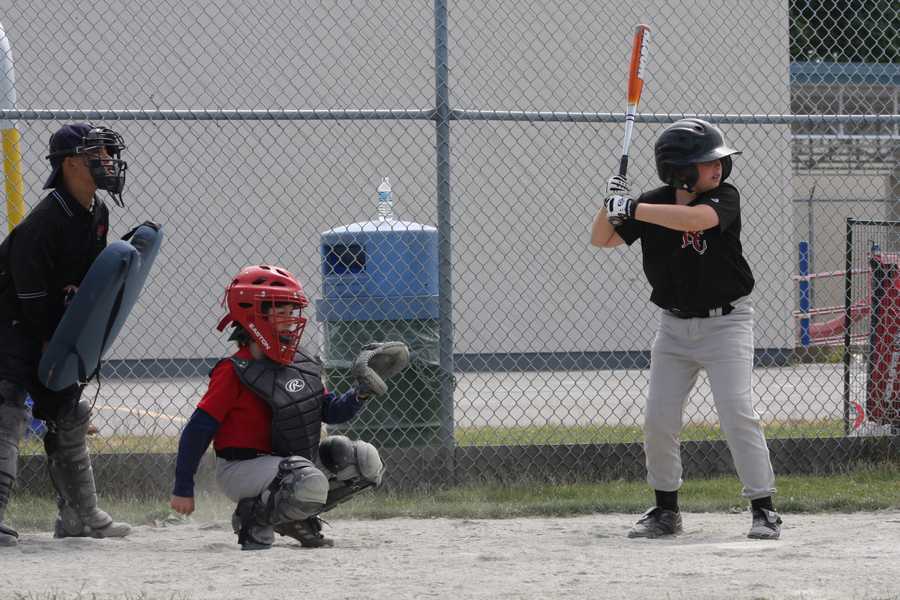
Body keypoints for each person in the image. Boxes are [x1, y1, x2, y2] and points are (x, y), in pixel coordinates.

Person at [590, 118, 782, 540]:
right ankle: (665, 511)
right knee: (658, 419)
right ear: (678, 170)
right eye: (706, 162)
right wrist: (611, 203)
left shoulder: (724, 197)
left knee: (736, 412)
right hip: (674, 328)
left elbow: (693, 221)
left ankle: (764, 509)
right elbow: (602, 239)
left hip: (727, 324)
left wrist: (632, 208)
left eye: (719, 161)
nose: (717, 168)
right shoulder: (652, 202)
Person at [170, 264, 407, 550]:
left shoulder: (301, 362)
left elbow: (330, 411)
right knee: (305, 479)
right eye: (280, 311)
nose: (290, 319)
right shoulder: (233, 372)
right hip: (242, 468)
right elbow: (197, 430)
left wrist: (361, 392)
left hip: (291, 466)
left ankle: (293, 518)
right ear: (253, 315)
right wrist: (183, 487)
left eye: (292, 311)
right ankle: (253, 517)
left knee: (363, 462)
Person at [0, 123, 133, 546]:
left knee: (69, 413)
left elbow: (91, 286)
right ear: (72, 164)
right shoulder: (45, 222)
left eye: (109, 153)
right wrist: (48, 342)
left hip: (50, 330)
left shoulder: (97, 213)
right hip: (12, 327)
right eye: (99, 153)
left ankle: (79, 517)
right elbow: (30, 293)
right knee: (7, 411)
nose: (108, 161)